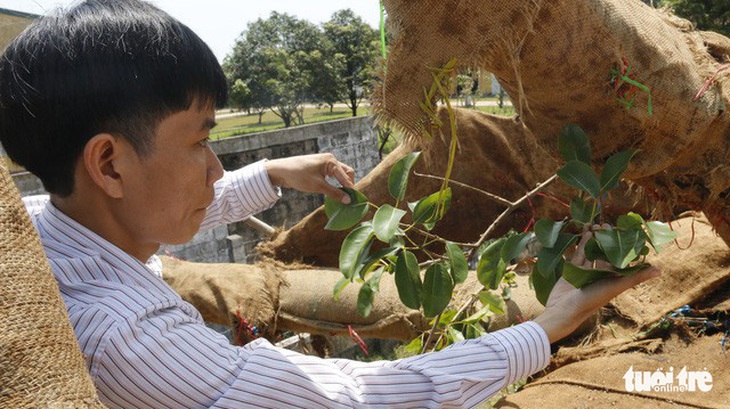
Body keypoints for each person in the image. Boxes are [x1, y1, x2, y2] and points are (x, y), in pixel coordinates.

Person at [0, 1, 659, 407]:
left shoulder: (40, 227)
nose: (214, 168)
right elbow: (355, 397)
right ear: (110, 162)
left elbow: (161, 206)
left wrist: (277, 173)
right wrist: (550, 323)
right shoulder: (136, 342)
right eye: (202, 141)